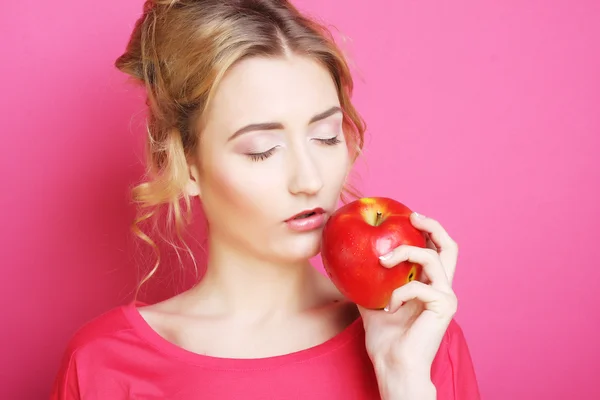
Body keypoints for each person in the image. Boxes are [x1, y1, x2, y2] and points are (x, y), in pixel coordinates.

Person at [50, 0, 480, 398]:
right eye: (262, 148)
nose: (309, 179)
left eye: (326, 137)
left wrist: (401, 378)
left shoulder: (419, 340)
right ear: (184, 163)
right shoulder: (103, 366)